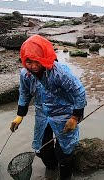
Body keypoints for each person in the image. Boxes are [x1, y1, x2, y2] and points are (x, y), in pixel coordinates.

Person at [10, 34, 87, 180]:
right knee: (42, 150)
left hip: (65, 113)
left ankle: (65, 175)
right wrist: (20, 115)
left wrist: (74, 117)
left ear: (44, 58)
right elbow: (24, 93)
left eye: (36, 62)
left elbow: (79, 92)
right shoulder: (25, 74)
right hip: (43, 114)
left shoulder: (59, 72)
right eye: (29, 62)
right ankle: (51, 170)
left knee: (64, 151)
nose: (33, 66)